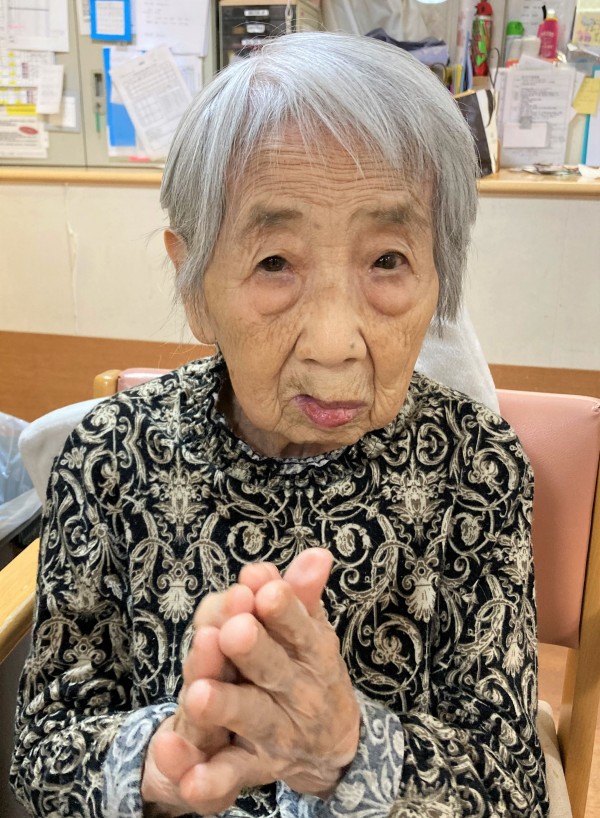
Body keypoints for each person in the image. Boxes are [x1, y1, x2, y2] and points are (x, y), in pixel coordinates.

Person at [10, 31, 548, 818]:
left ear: (441, 272)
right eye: (274, 263)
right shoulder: (109, 453)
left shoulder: (479, 466)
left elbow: (511, 782)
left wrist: (350, 752)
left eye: (387, 260)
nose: (334, 343)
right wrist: (162, 764)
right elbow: (43, 747)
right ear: (194, 285)